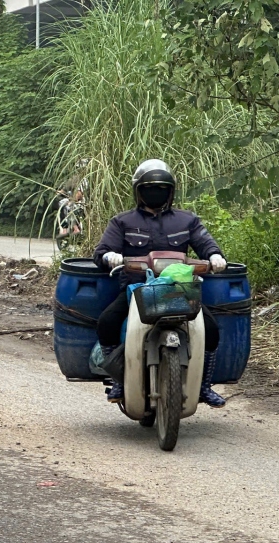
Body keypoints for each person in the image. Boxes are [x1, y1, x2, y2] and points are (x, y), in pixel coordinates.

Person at [93, 159, 228, 408]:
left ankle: (204, 386)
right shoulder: (121, 222)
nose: (155, 192)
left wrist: (215, 257)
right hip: (138, 291)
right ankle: (119, 380)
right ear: (138, 191)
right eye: (149, 188)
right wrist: (108, 256)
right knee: (106, 323)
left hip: (179, 291)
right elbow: (101, 251)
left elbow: (206, 243)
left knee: (211, 329)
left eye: (161, 188)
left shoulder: (187, 221)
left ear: (171, 191)